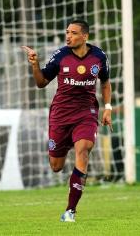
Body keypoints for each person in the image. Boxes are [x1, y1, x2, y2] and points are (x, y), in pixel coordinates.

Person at [22, 19, 113, 222]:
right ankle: (67, 146)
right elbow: (41, 82)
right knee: (56, 166)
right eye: (67, 32)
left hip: (86, 113)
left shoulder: (99, 56)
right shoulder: (61, 55)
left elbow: (106, 83)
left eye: (73, 33)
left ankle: (70, 211)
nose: (68, 36)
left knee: (83, 150)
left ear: (85, 36)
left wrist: (107, 108)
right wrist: (35, 64)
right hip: (60, 115)